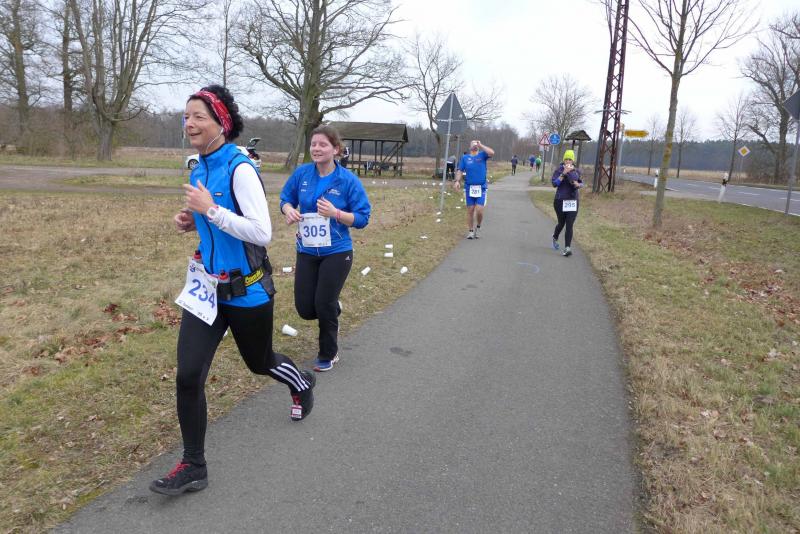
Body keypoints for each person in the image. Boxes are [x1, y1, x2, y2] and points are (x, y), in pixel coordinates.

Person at [151, 85, 315, 496]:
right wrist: (192, 220)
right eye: (186, 116)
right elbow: (214, 221)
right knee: (188, 376)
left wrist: (210, 210)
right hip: (207, 289)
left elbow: (261, 232)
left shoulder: (240, 168)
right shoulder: (198, 168)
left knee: (260, 363)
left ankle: (300, 382)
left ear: (220, 123)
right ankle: (193, 465)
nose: (189, 123)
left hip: (247, 291)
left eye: (198, 116)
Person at [280, 125, 371, 372]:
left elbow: (363, 218)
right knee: (305, 309)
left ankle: (328, 353)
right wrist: (288, 210)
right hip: (307, 250)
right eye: (313, 144)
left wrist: (336, 213)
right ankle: (333, 308)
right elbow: (285, 199)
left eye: (323, 144)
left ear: (336, 149)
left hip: (337, 251)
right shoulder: (302, 174)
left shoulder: (348, 181)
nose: (316, 148)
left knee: (323, 303)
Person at [454, 139, 495, 239]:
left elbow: (492, 153)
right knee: (470, 210)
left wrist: (481, 145)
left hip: (481, 187)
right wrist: (457, 181)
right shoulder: (465, 158)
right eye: (473, 143)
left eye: (476, 143)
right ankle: (471, 231)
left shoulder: (482, 155)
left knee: (479, 210)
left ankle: (478, 227)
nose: (475, 144)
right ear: (469, 147)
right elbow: (460, 170)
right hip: (469, 187)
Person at [551, 149, 583, 257]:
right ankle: (555, 236)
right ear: (563, 160)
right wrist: (564, 173)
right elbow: (554, 184)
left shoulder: (576, 171)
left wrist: (578, 185)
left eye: (570, 159)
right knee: (561, 223)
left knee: (569, 224)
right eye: (566, 159)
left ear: (573, 161)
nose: (568, 161)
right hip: (560, 201)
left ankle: (567, 248)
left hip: (573, 201)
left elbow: (581, 183)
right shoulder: (559, 170)